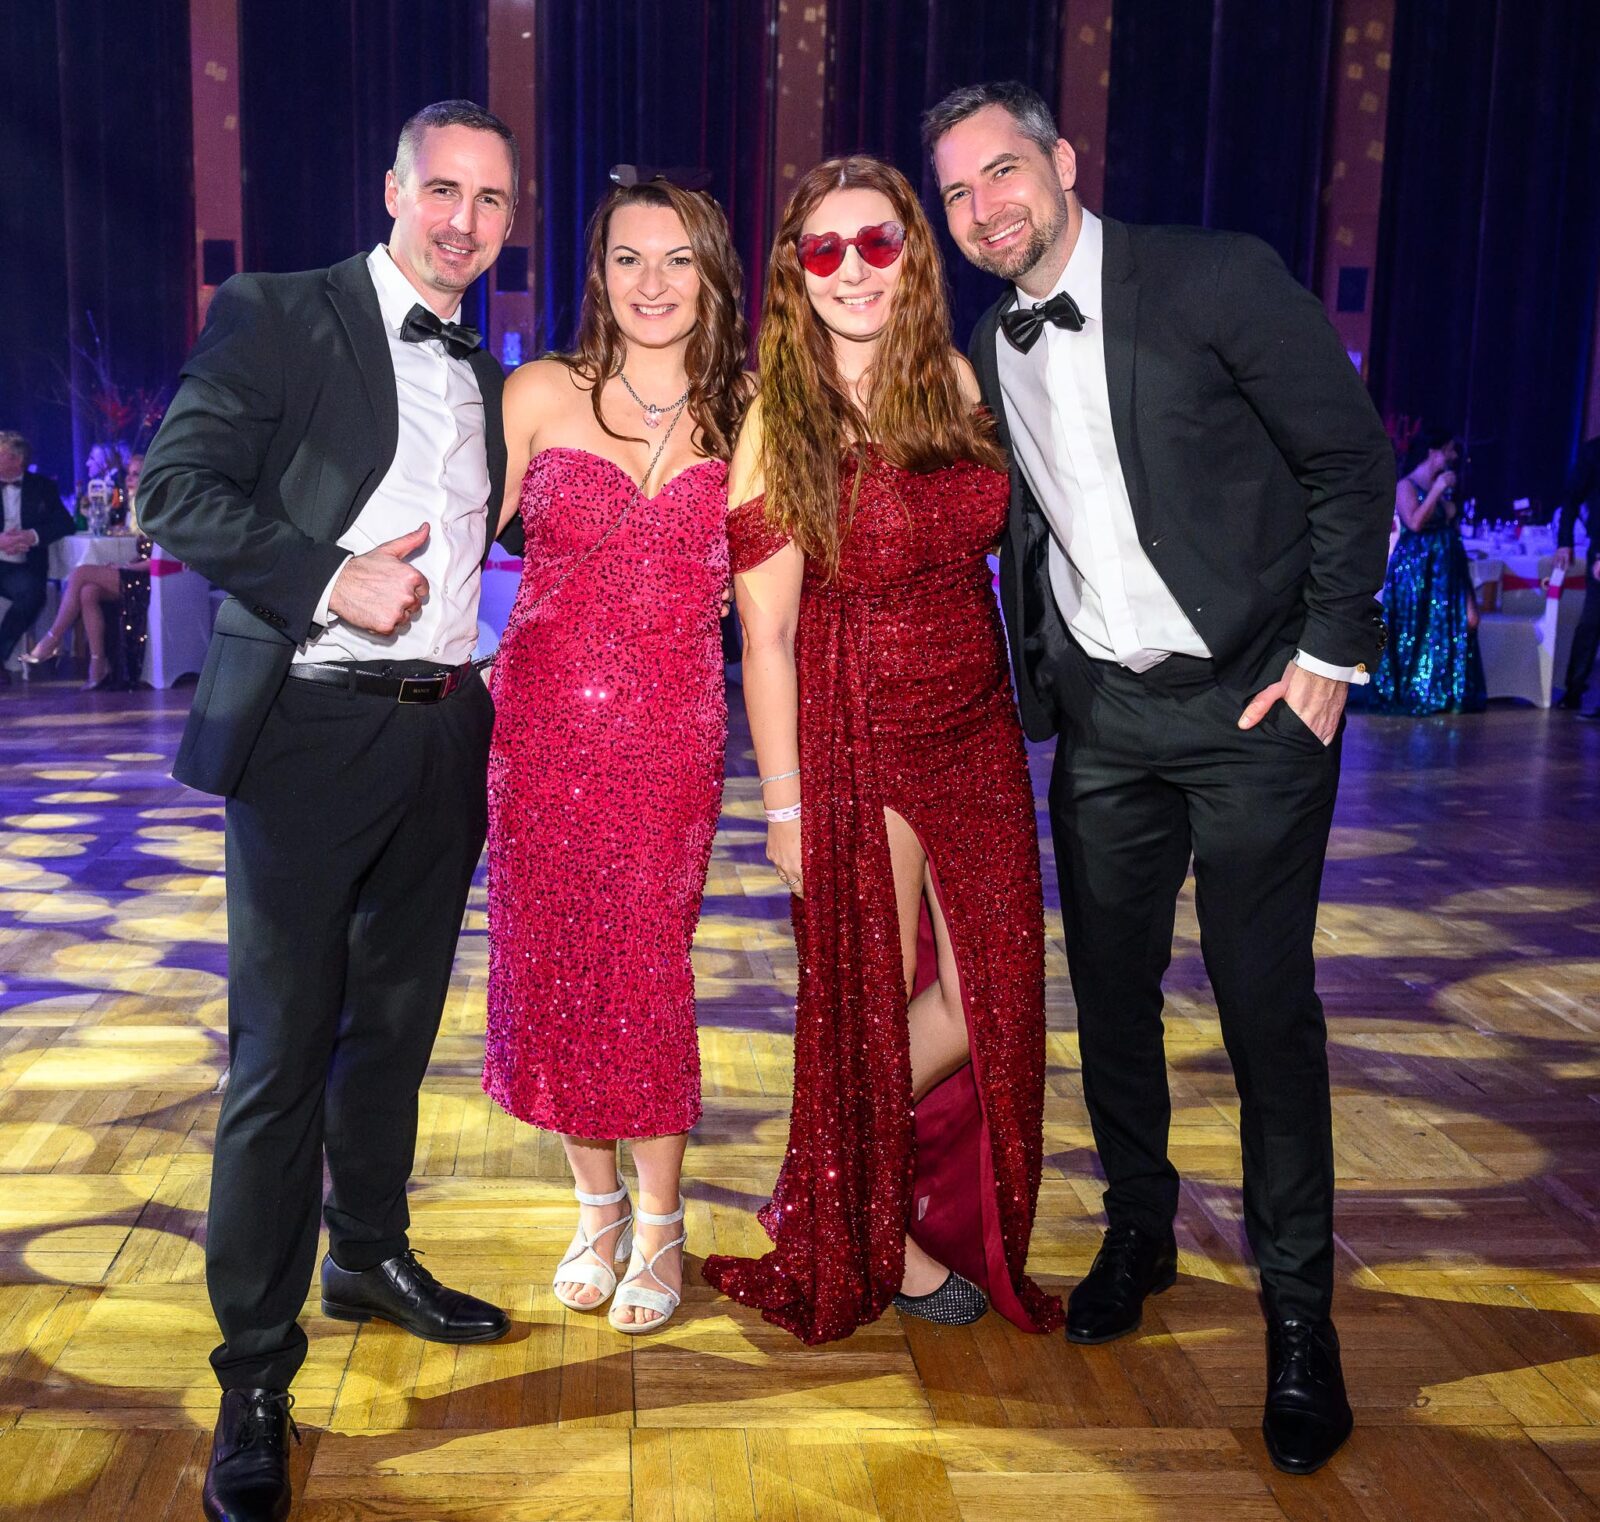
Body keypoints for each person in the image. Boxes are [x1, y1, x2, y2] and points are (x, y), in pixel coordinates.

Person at [927, 81, 1393, 1474]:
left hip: (1254, 709)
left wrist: (1327, 655)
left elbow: (1349, 459)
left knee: (1263, 1012)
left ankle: (1300, 1319)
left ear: (1063, 162)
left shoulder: (1214, 276)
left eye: (1002, 172)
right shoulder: (990, 340)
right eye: (957, 193)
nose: (983, 208)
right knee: (1113, 997)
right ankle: (1139, 1228)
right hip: (1108, 723)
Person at [138, 100, 520, 1522]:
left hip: (444, 734)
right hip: (307, 726)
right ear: (393, 188)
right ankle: (253, 1369)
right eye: (443, 189)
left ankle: (366, 1250)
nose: (464, 220)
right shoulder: (280, 310)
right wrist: (327, 574)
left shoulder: (491, 370)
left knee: (396, 1031)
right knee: (281, 1054)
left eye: (491, 199)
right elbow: (174, 490)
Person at [700, 156, 1062, 1345]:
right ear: (793, 274)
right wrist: (786, 808)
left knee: (990, 993)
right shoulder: (781, 416)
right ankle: (867, 1223)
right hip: (857, 730)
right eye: (823, 249)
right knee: (864, 993)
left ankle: (829, 1173)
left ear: (912, 253)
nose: (851, 269)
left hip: (977, 725)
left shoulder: (949, 378)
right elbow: (764, 635)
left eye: (875, 242)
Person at [483, 169, 747, 1334]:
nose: (652, 282)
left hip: (671, 736)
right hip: (540, 733)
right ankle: (595, 1208)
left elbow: (783, 592)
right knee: (555, 966)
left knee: (645, 971)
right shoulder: (539, 390)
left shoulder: (751, 407)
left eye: (677, 259)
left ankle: (663, 1218)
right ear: (597, 273)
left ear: (711, 273)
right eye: (628, 258)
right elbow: (452, 537)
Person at [1365, 431, 1486, 714]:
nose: (1453, 456)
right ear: (1433, 452)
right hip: (1416, 570)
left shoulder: (1445, 487)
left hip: (1446, 569)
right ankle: (1414, 690)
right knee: (1415, 628)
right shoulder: (1406, 485)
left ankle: (1441, 690)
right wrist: (1436, 491)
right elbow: (1415, 522)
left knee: (1457, 623)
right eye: (1449, 450)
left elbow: (1451, 526)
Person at [22, 452, 152, 688]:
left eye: (136, 474)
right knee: (87, 591)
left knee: (80, 573)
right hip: (137, 571)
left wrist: (126, 566)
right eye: (129, 474)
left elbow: (160, 560)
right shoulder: (135, 506)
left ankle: (52, 640)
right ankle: (98, 664)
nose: (129, 479)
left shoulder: (156, 509)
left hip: (152, 579)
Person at [0, 430, 74, 686]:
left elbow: (65, 523)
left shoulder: (42, 487)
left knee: (33, 595)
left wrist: (31, 536)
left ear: (17, 459)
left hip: (23, 566)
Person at [1555, 435, 1600, 715]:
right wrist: (1565, 541)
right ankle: (1574, 689)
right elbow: (1571, 497)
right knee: (1591, 622)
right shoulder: (1594, 452)